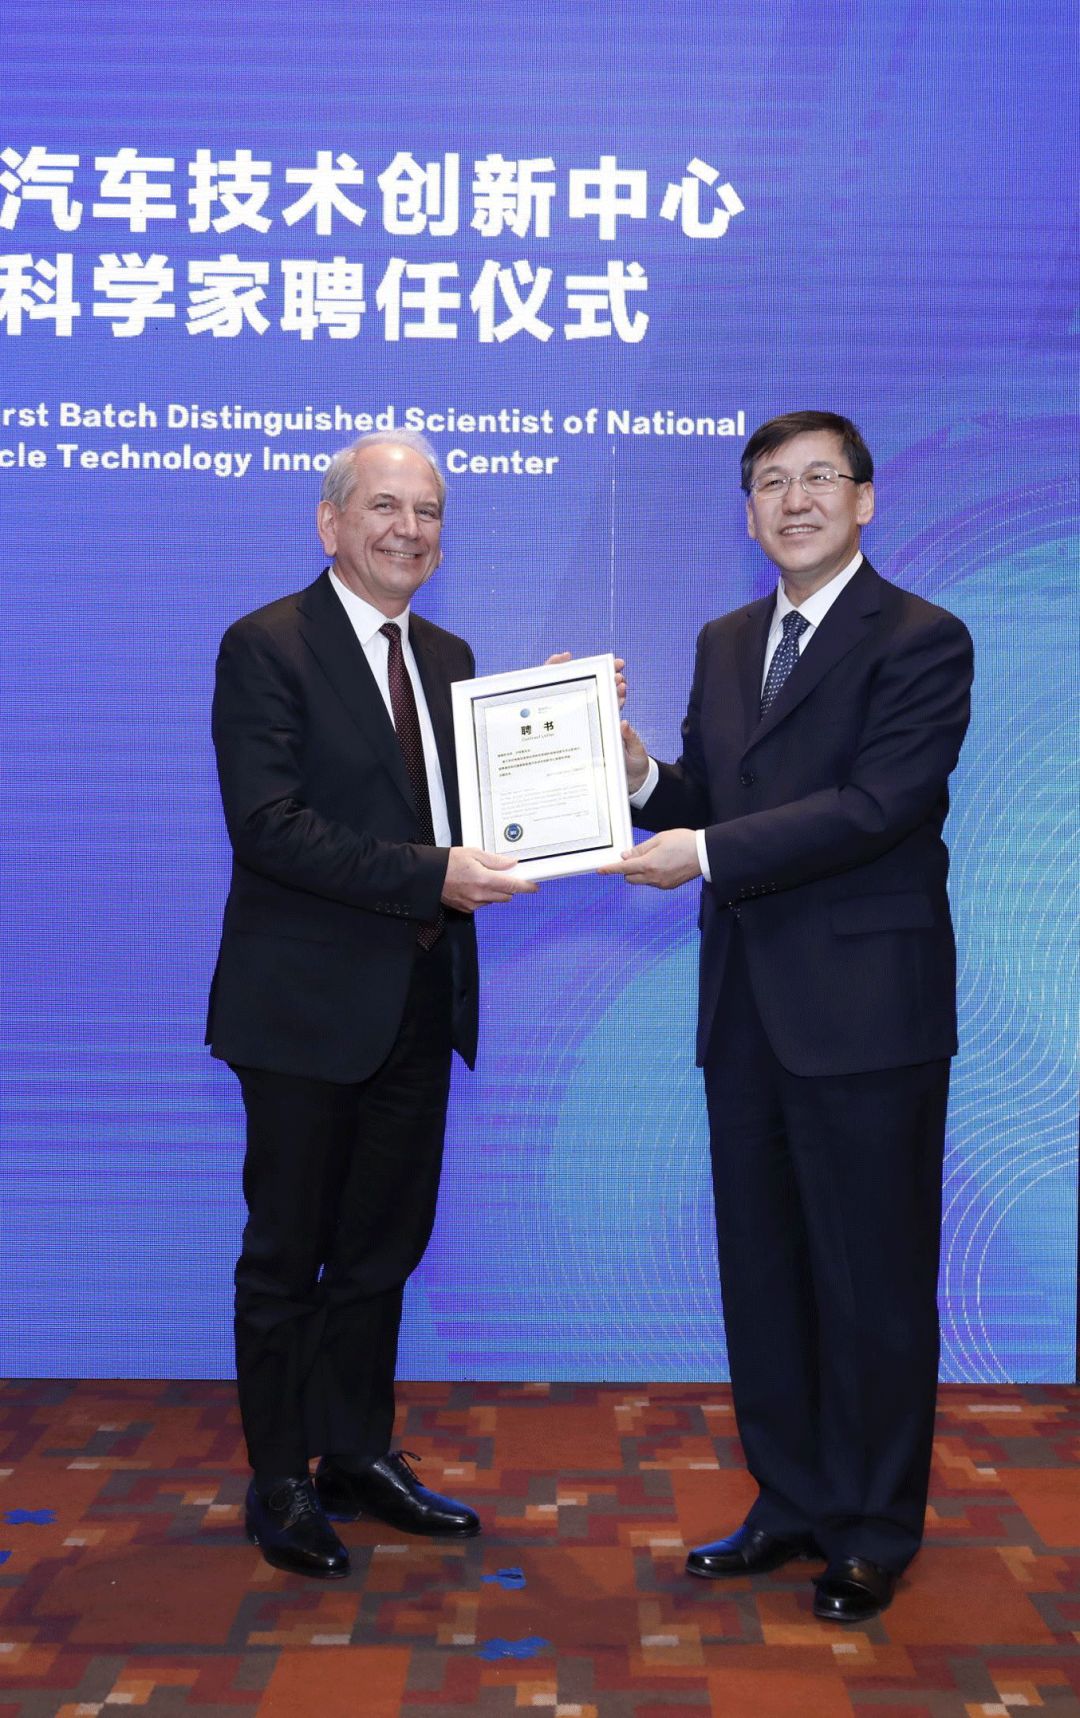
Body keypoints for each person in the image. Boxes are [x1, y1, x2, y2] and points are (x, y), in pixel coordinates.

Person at [602, 411, 973, 1623]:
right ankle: (792, 1499)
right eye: (771, 482)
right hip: (747, 1009)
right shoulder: (725, 640)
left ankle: (871, 1527)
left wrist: (704, 850)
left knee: (873, 1280)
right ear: (749, 510)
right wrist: (642, 775)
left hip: (867, 1016)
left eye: (820, 478)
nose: (795, 499)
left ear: (865, 499)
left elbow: (880, 805)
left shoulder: (921, 636)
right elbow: (712, 793)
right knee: (762, 1271)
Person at [207, 430, 539, 1579]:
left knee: (382, 1248)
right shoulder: (266, 645)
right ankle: (280, 1477)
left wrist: (566, 732)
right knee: (286, 1253)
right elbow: (270, 827)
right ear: (331, 521)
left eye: (428, 511)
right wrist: (431, 873)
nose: (408, 529)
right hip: (302, 1012)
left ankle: (354, 1452)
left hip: (419, 1001)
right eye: (385, 506)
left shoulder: (449, 656)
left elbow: (478, 810)